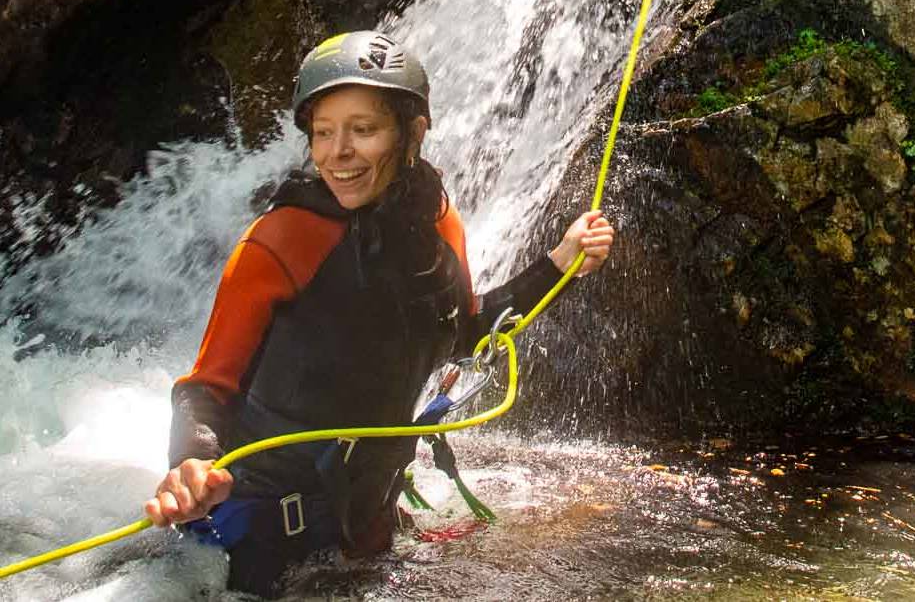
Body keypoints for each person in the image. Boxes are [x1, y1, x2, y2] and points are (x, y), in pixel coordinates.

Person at [144, 30, 615, 596]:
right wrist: (192, 464)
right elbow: (205, 389)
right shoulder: (278, 241)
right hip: (256, 533)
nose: (337, 153)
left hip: (364, 523)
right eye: (323, 133)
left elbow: (464, 335)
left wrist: (559, 264)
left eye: (363, 130)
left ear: (411, 132)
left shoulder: (438, 225)